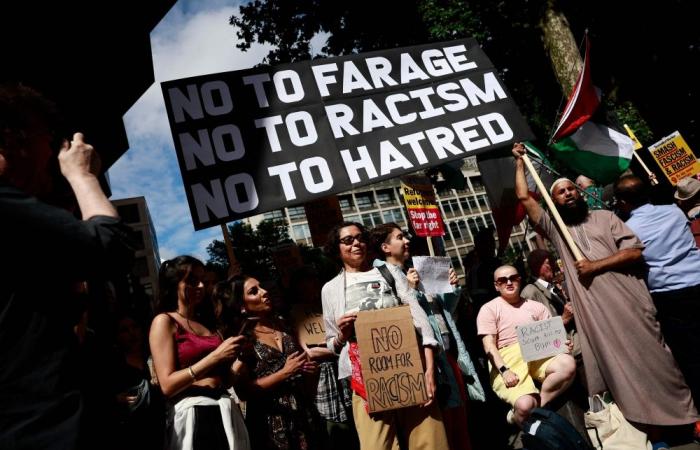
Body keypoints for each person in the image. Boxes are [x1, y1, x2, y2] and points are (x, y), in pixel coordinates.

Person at [512, 142, 698, 428]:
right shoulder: (556, 230)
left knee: (657, 358)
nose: (568, 193)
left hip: (630, 305)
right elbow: (524, 196)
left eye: (571, 188)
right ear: (554, 202)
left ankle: (687, 416)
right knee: (620, 369)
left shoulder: (606, 217)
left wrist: (595, 266)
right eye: (560, 192)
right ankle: (646, 426)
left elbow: (634, 252)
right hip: (598, 316)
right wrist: (520, 162)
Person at [0, 84, 134, 449]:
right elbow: (112, 246)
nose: (56, 154)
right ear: (14, 140)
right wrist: (82, 176)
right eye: (49, 139)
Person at [322, 222, 449, 450]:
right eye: (348, 240)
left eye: (360, 237)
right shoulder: (330, 289)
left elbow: (420, 320)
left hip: (410, 371)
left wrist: (428, 369)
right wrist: (343, 335)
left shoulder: (388, 272)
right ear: (336, 248)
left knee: (429, 442)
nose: (356, 243)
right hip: (364, 381)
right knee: (378, 445)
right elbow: (331, 344)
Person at [370, 223, 484, 450]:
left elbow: (445, 312)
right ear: (385, 247)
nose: (407, 241)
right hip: (424, 362)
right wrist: (411, 291)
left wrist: (452, 288)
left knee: (459, 427)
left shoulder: (417, 269)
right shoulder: (382, 277)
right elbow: (397, 319)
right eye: (400, 237)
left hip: (447, 357)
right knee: (440, 433)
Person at [615, 175, 700, 405]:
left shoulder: (628, 230)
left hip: (670, 295)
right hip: (696, 279)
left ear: (623, 202)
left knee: (690, 355)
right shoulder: (674, 211)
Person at [149, 255, 249, 450]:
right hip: (195, 416)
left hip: (225, 410)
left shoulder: (208, 323)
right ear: (174, 284)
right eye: (192, 281)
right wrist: (216, 356)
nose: (202, 286)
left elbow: (225, 380)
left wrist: (241, 357)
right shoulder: (165, 321)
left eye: (203, 280)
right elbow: (167, 385)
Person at [226, 275, 320, 450]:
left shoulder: (285, 325)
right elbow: (243, 391)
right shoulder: (241, 339)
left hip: (303, 416)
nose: (264, 292)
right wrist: (284, 373)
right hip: (270, 424)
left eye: (261, 287)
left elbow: (305, 377)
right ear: (242, 307)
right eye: (254, 292)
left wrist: (311, 374)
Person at [477, 265, 575, 427]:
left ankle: (539, 405)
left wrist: (563, 346)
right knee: (524, 405)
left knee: (568, 363)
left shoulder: (536, 307)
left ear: (519, 280)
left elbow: (551, 336)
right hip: (507, 359)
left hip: (538, 353)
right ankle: (520, 416)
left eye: (513, 278)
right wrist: (504, 370)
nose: (508, 282)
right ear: (496, 285)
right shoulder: (488, 309)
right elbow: (489, 347)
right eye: (502, 280)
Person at [288, 266, 359, 450]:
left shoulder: (328, 306)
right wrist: (336, 344)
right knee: (334, 429)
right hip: (321, 378)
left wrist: (331, 345)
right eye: (306, 288)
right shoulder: (295, 314)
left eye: (314, 286)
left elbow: (345, 341)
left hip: (344, 371)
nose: (311, 291)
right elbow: (308, 352)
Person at [520, 250, 578, 357]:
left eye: (552, 262)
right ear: (536, 266)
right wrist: (563, 319)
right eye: (548, 263)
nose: (553, 266)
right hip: (563, 349)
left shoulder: (551, 286)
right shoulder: (530, 291)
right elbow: (532, 334)